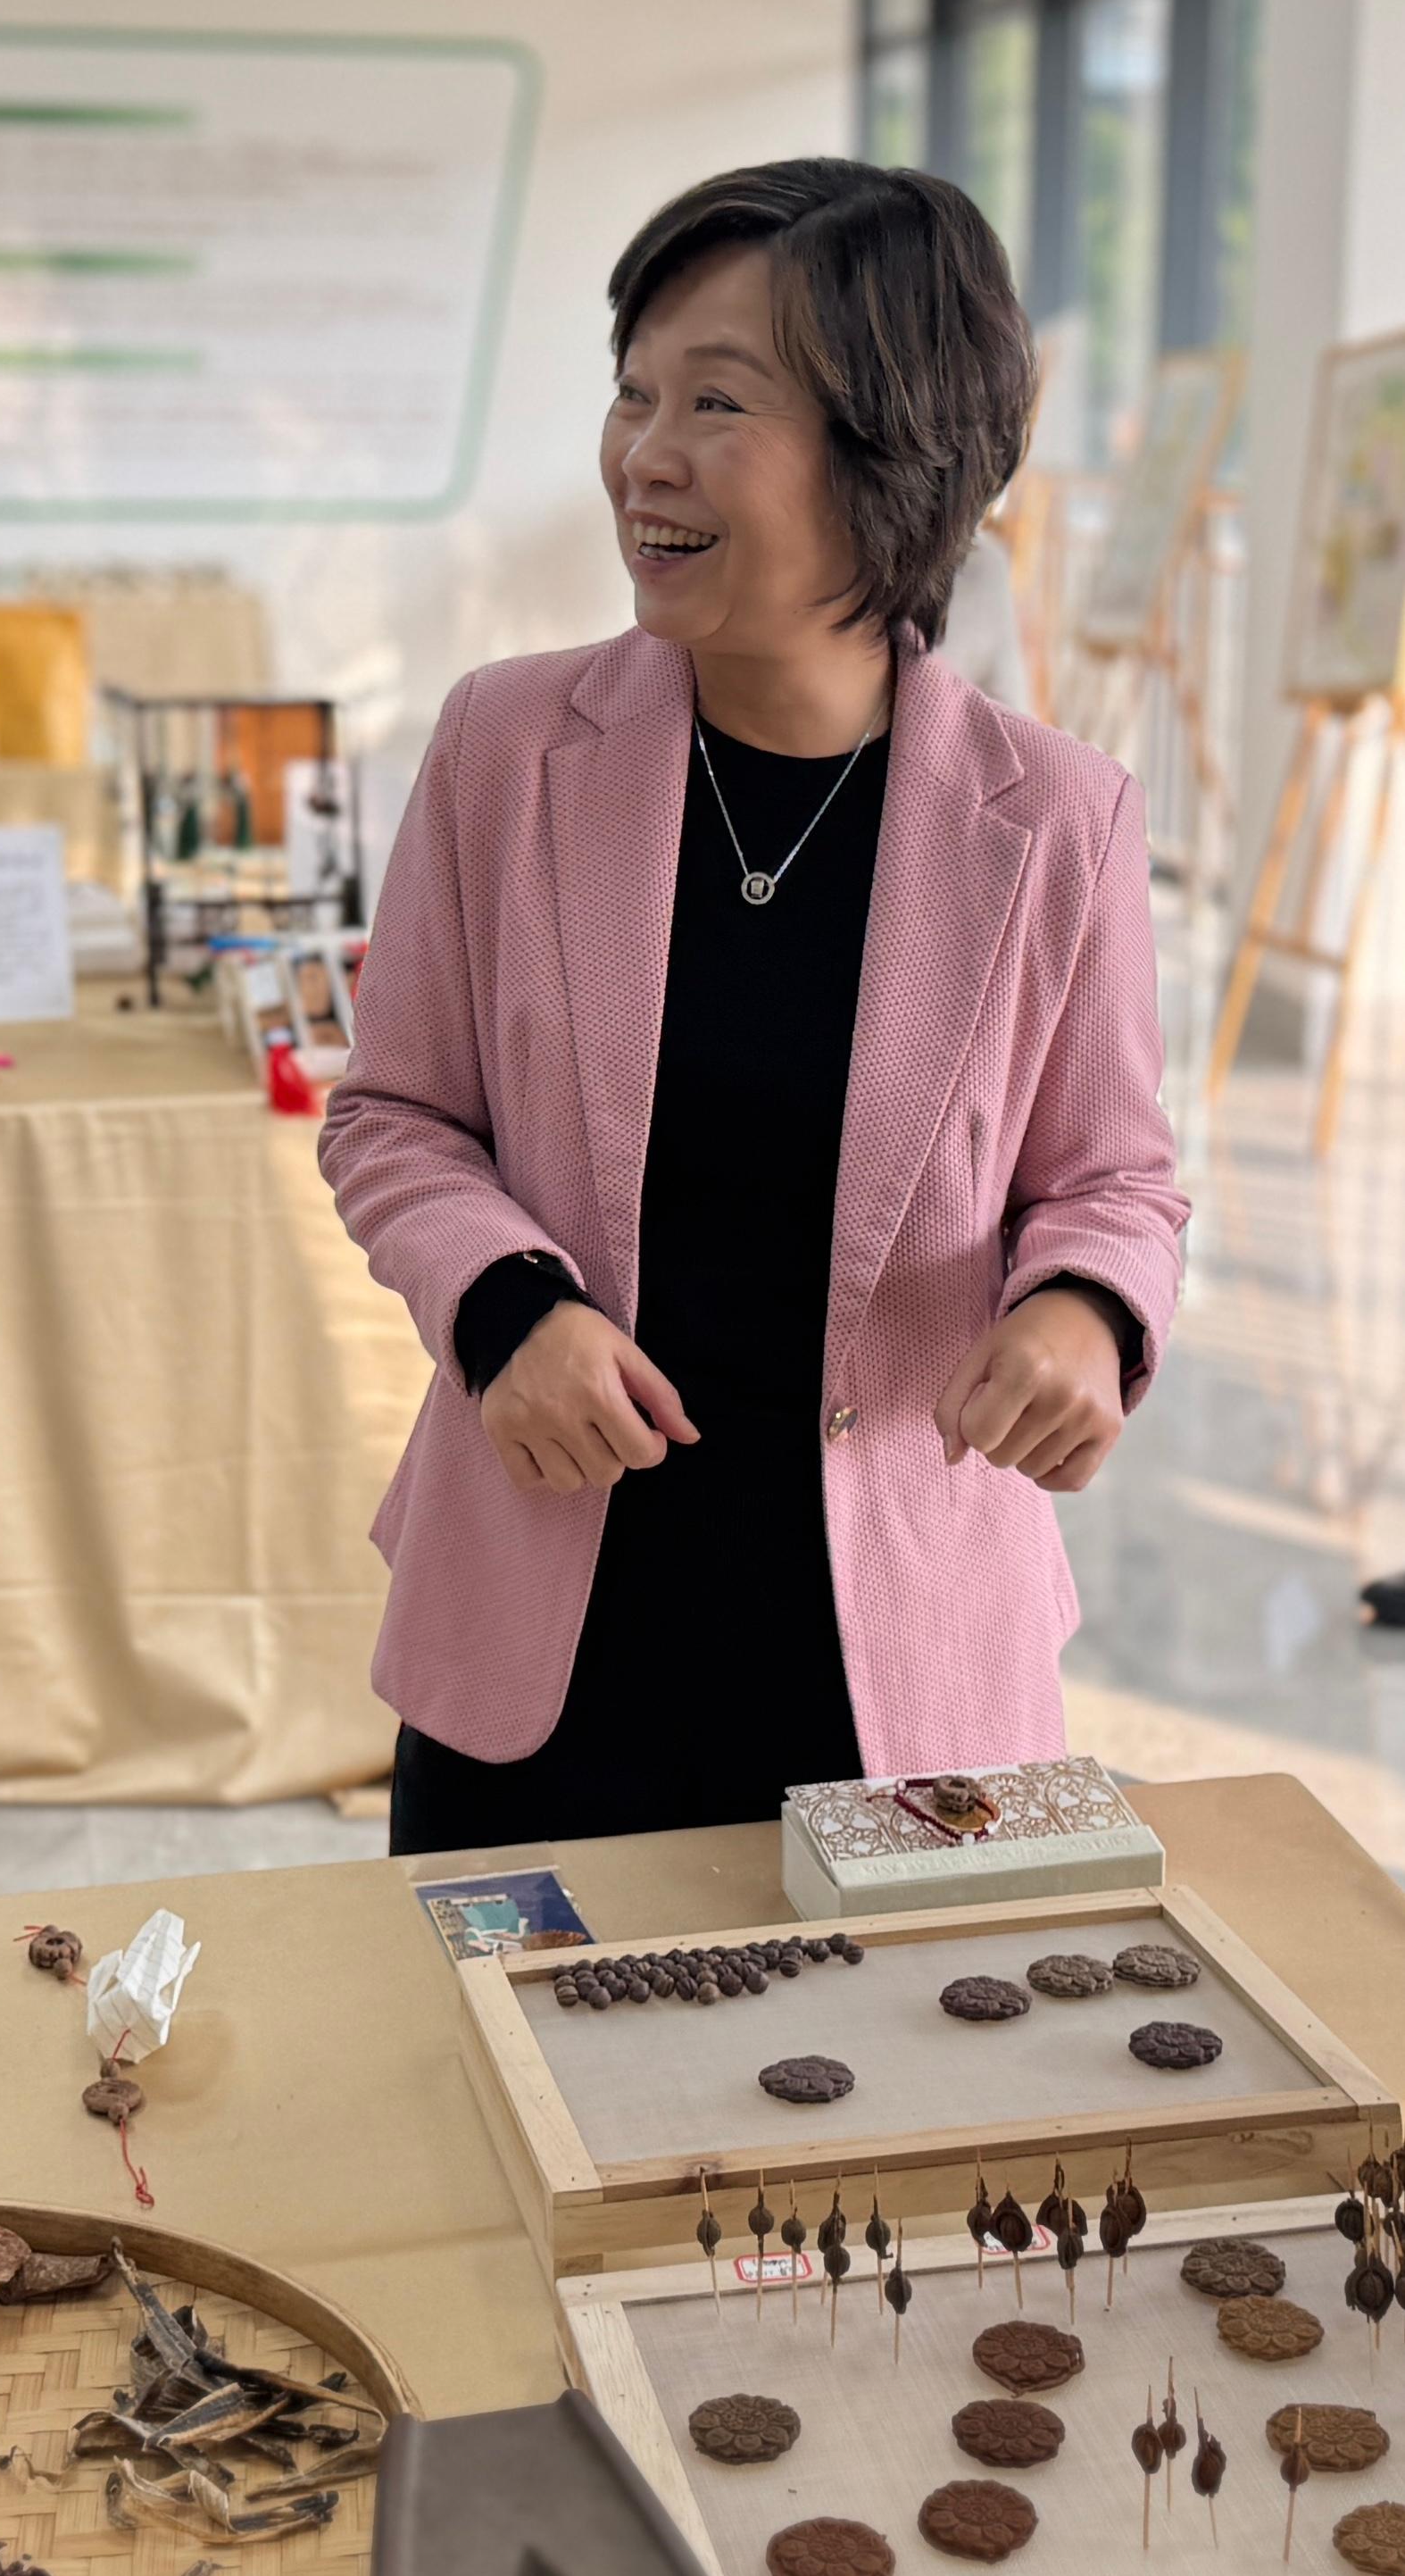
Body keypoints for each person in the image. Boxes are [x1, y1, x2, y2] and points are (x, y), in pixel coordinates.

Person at [320, 160, 1187, 1855]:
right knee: (504, 2095)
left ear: (894, 454)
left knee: (891, 2107)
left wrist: (1083, 1312)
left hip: (895, 1657)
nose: (644, 454)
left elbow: (1114, 1181)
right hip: (546, 1640)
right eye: (634, 392)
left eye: (717, 402)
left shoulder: (1051, 818)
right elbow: (395, 1113)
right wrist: (506, 1310)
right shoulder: (509, 748)